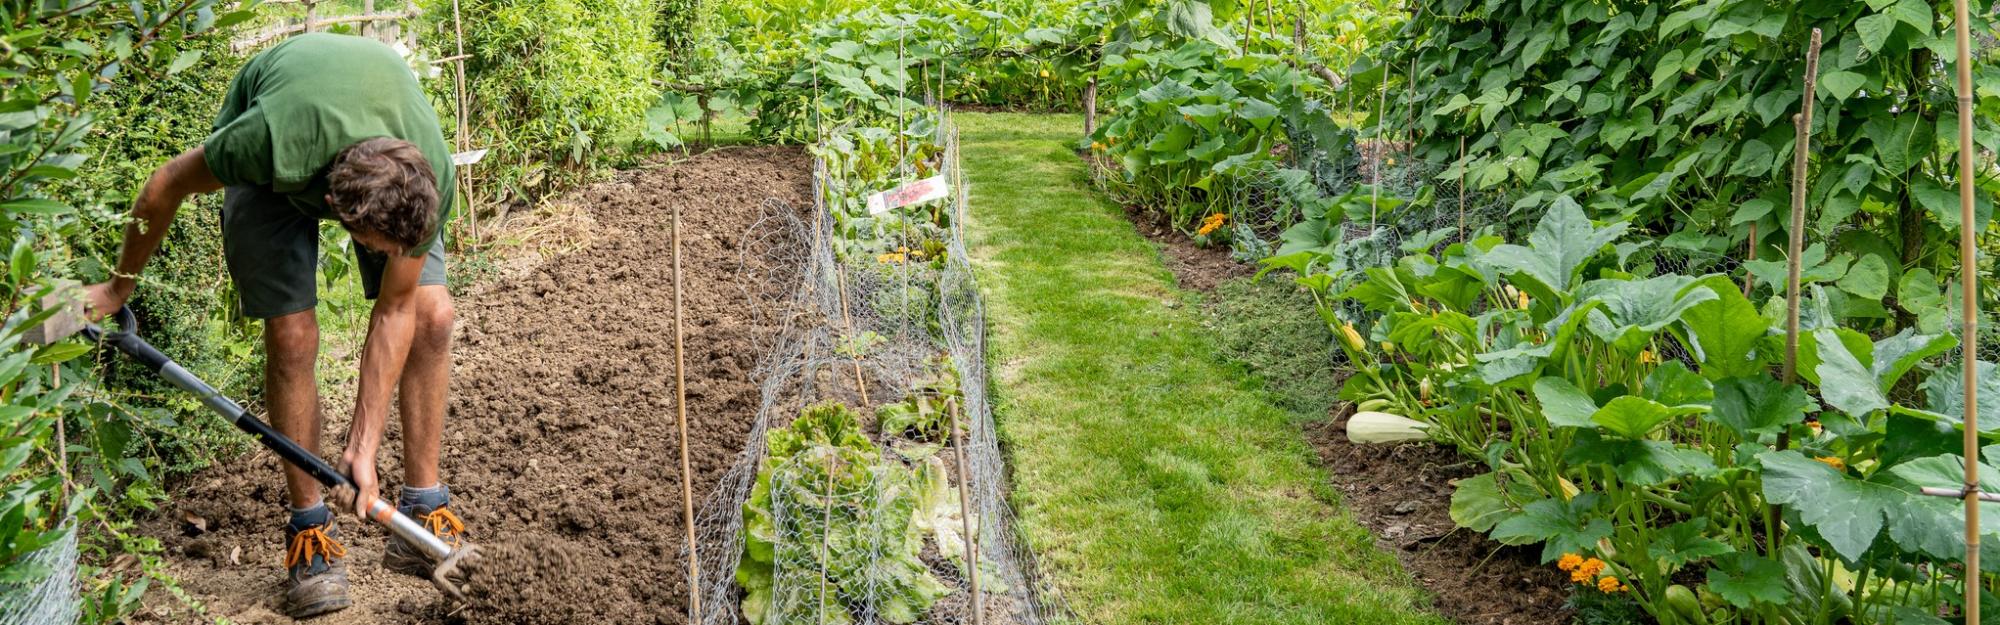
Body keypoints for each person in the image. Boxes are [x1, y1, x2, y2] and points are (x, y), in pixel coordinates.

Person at [83, 32, 463, 618]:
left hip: (382, 139)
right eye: (375, 248)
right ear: (341, 213)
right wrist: (117, 286)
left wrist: (363, 446)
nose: (384, 255)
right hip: (282, 139)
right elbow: (164, 185)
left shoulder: (426, 173)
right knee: (292, 336)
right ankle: (310, 531)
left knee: (433, 315)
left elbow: (396, 309)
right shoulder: (262, 142)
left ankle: (421, 509)